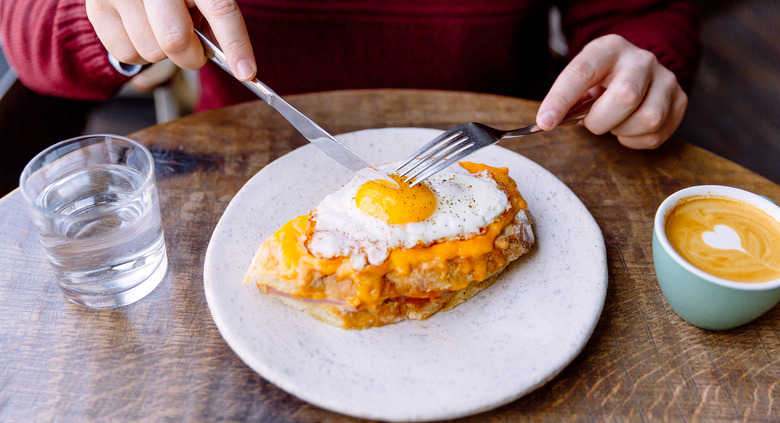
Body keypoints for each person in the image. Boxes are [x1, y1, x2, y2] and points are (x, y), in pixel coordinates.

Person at [0, 0, 700, 150]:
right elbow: (28, 35)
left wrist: (641, 67)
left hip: (512, 153)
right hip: (243, 165)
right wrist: (107, 20)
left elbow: (644, 11)